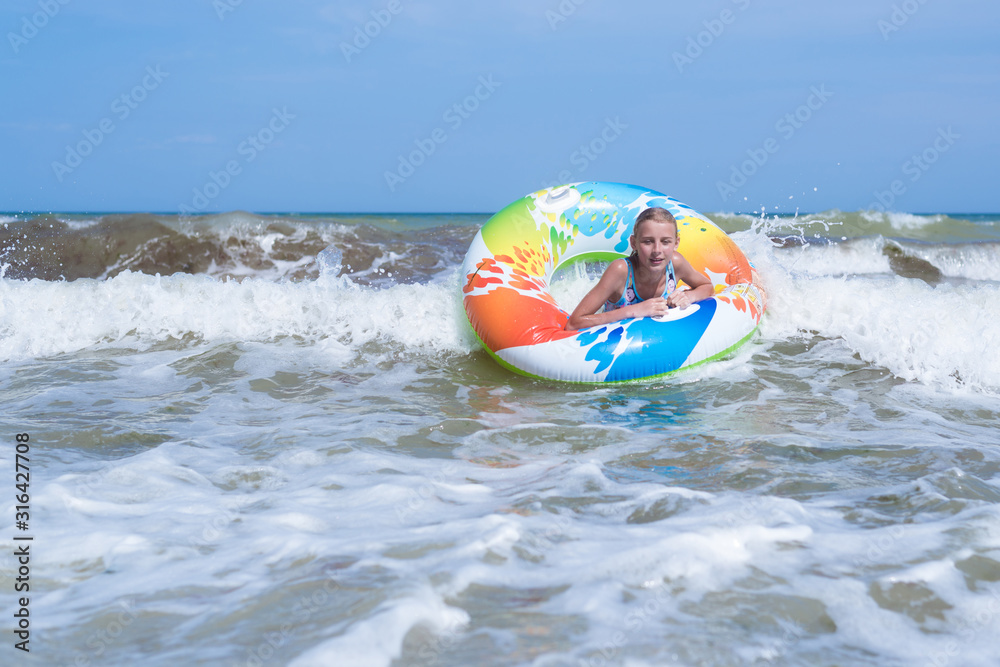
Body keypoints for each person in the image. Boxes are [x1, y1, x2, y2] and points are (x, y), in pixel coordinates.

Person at [565, 207, 715, 332]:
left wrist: (688, 296)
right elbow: (574, 323)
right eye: (648, 242)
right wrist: (635, 311)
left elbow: (707, 287)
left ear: (676, 243)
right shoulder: (620, 271)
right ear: (633, 243)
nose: (657, 250)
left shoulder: (675, 263)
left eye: (665, 242)